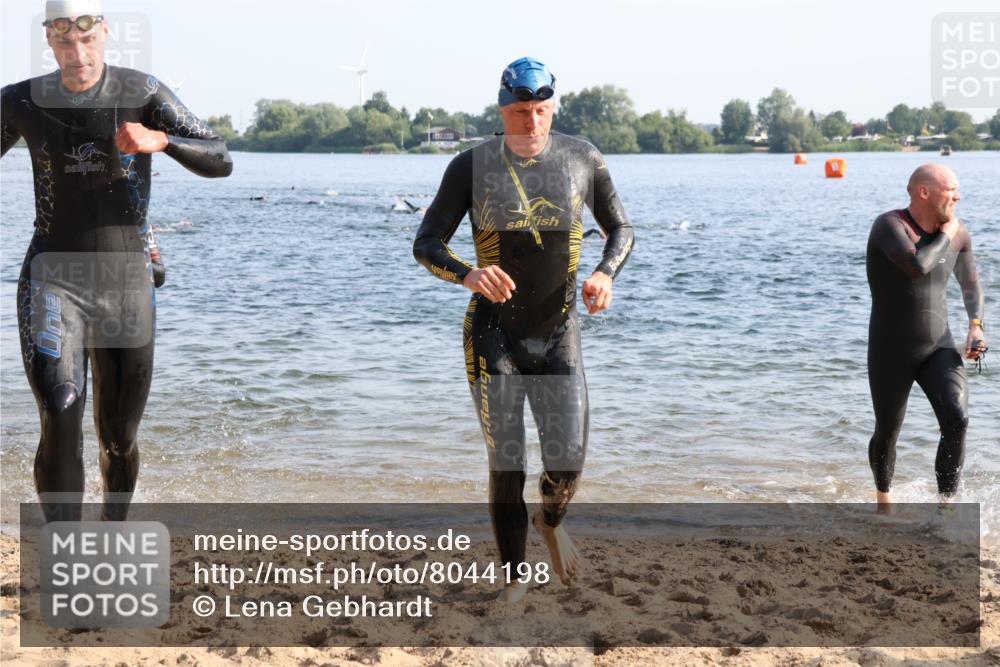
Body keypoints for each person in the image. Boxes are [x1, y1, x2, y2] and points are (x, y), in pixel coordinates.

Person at [1, 0, 233, 521]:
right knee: (60, 408)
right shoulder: (19, 102)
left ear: (103, 32)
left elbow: (221, 157)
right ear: (49, 38)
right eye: (64, 41)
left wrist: (164, 140)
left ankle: (112, 530)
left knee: (118, 438)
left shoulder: (141, 92)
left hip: (126, 280)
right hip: (51, 279)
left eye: (86, 39)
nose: (77, 53)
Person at [413, 57, 634, 602]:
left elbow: (621, 228)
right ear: (501, 109)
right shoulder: (471, 165)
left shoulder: (582, 157)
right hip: (495, 333)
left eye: (540, 111)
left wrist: (605, 274)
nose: (531, 122)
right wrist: (469, 274)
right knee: (506, 459)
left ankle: (551, 523)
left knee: (568, 460)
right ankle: (513, 580)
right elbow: (426, 244)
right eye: (519, 111)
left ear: (552, 108)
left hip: (559, 330)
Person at [866, 163, 985, 506]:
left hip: (938, 346)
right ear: (924, 192)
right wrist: (948, 234)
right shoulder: (890, 226)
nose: (957, 197)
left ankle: (945, 507)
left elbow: (971, 285)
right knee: (887, 432)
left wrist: (976, 326)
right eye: (951, 190)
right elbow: (917, 266)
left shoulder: (960, 235)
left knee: (957, 418)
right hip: (891, 349)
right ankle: (883, 500)